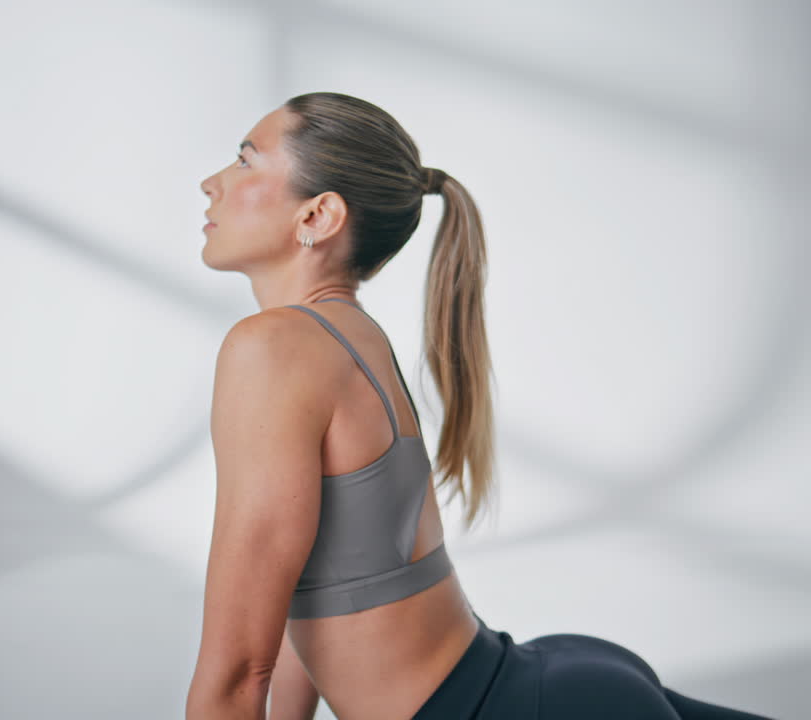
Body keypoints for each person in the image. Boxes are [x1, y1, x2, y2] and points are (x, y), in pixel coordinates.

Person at [185, 91, 773, 720]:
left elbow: (237, 677)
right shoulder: (345, 333)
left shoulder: (273, 348)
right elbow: (306, 594)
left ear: (319, 215)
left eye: (245, 161)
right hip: (540, 687)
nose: (209, 183)